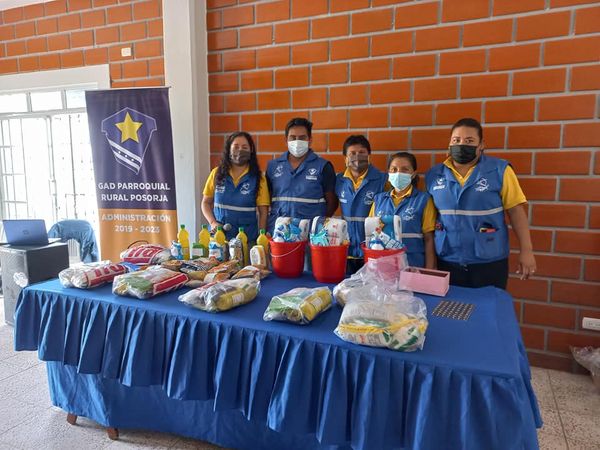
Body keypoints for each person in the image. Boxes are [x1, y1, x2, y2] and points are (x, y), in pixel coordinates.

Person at [425, 117, 536, 289]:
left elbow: (516, 211)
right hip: (447, 260)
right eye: (456, 140)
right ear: (449, 143)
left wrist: (526, 250)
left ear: (481, 144)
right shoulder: (434, 175)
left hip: (489, 261)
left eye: (469, 141)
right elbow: (429, 224)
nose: (462, 144)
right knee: (451, 305)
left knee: (488, 304)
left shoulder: (500, 170)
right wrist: (430, 263)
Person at [266, 117, 338, 232]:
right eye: (293, 137)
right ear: (286, 140)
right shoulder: (273, 166)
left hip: (310, 233)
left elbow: (332, 203)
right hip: (278, 233)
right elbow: (267, 200)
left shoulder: (323, 166)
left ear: (310, 140)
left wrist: (318, 226)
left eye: (302, 138)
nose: (297, 141)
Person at [369, 152, 437, 269]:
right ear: (388, 173)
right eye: (394, 169)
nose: (398, 173)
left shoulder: (424, 200)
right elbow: (371, 234)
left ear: (413, 174)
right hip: (383, 267)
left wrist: (429, 271)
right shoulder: (378, 200)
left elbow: (429, 239)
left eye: (405, 169)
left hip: (413, 266)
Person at [201, 131, 270, 242]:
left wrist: (261, 239)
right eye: (236, 147)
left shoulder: (258, 178)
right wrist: (212, 222)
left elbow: (263, 213)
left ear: (251, 150)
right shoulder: (216, 173)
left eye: (244, 147)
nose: (240, 150)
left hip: (246, 240)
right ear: (229, 149)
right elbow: (205, 203)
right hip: (218, 239)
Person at [335, 135, 388, 274]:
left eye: (362, 152)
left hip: (373, 250)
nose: (357, 157)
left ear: (369, 156)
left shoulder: (383, 180)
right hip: (346, 251)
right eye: (352, 153)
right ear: (345, 158)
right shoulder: (339, 180)